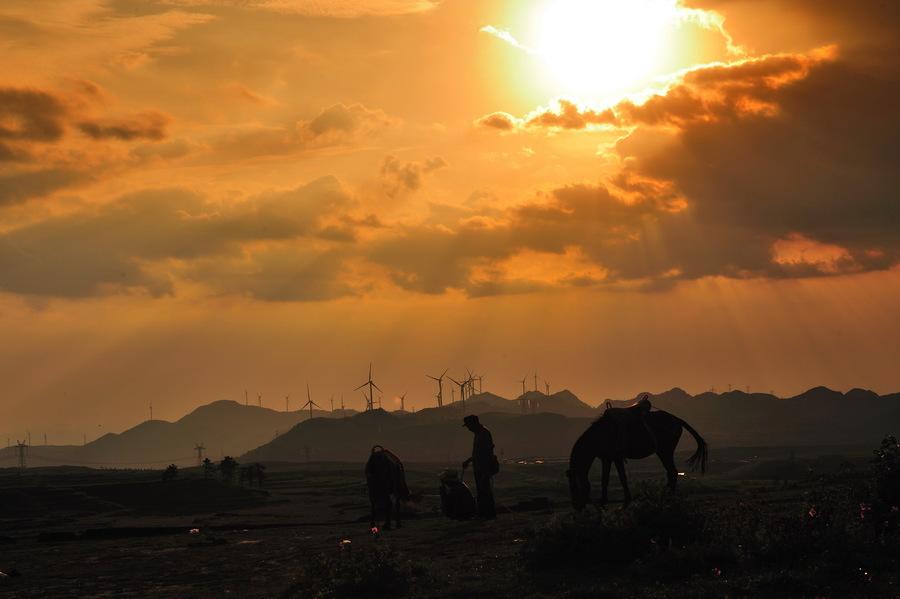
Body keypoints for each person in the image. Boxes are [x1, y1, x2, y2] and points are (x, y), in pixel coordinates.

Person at [461, 414, 498, 519]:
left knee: (484, 490)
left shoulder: (483, 434)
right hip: (479, 467)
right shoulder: (479, 433)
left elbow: (486, 453)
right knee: (482, 490)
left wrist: (486, 470)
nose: (468, 428)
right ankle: (485, 513)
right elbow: (478, 453)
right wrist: (469, 460)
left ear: (474, 424)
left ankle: (487, 514)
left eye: (468, 426)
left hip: (484, 467)